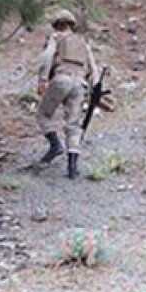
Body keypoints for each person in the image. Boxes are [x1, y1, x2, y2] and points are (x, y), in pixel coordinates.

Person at [36, 9, 98, 179]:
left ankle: (55, 145)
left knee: (43, 115)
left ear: (58, 25)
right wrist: (95, 89)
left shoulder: (56, 38)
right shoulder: (83, 42)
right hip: (80, 84)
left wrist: (42, 78)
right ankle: (72, 167)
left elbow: (47, 56)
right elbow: (94, 68)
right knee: (73, 124)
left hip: (61, 79)